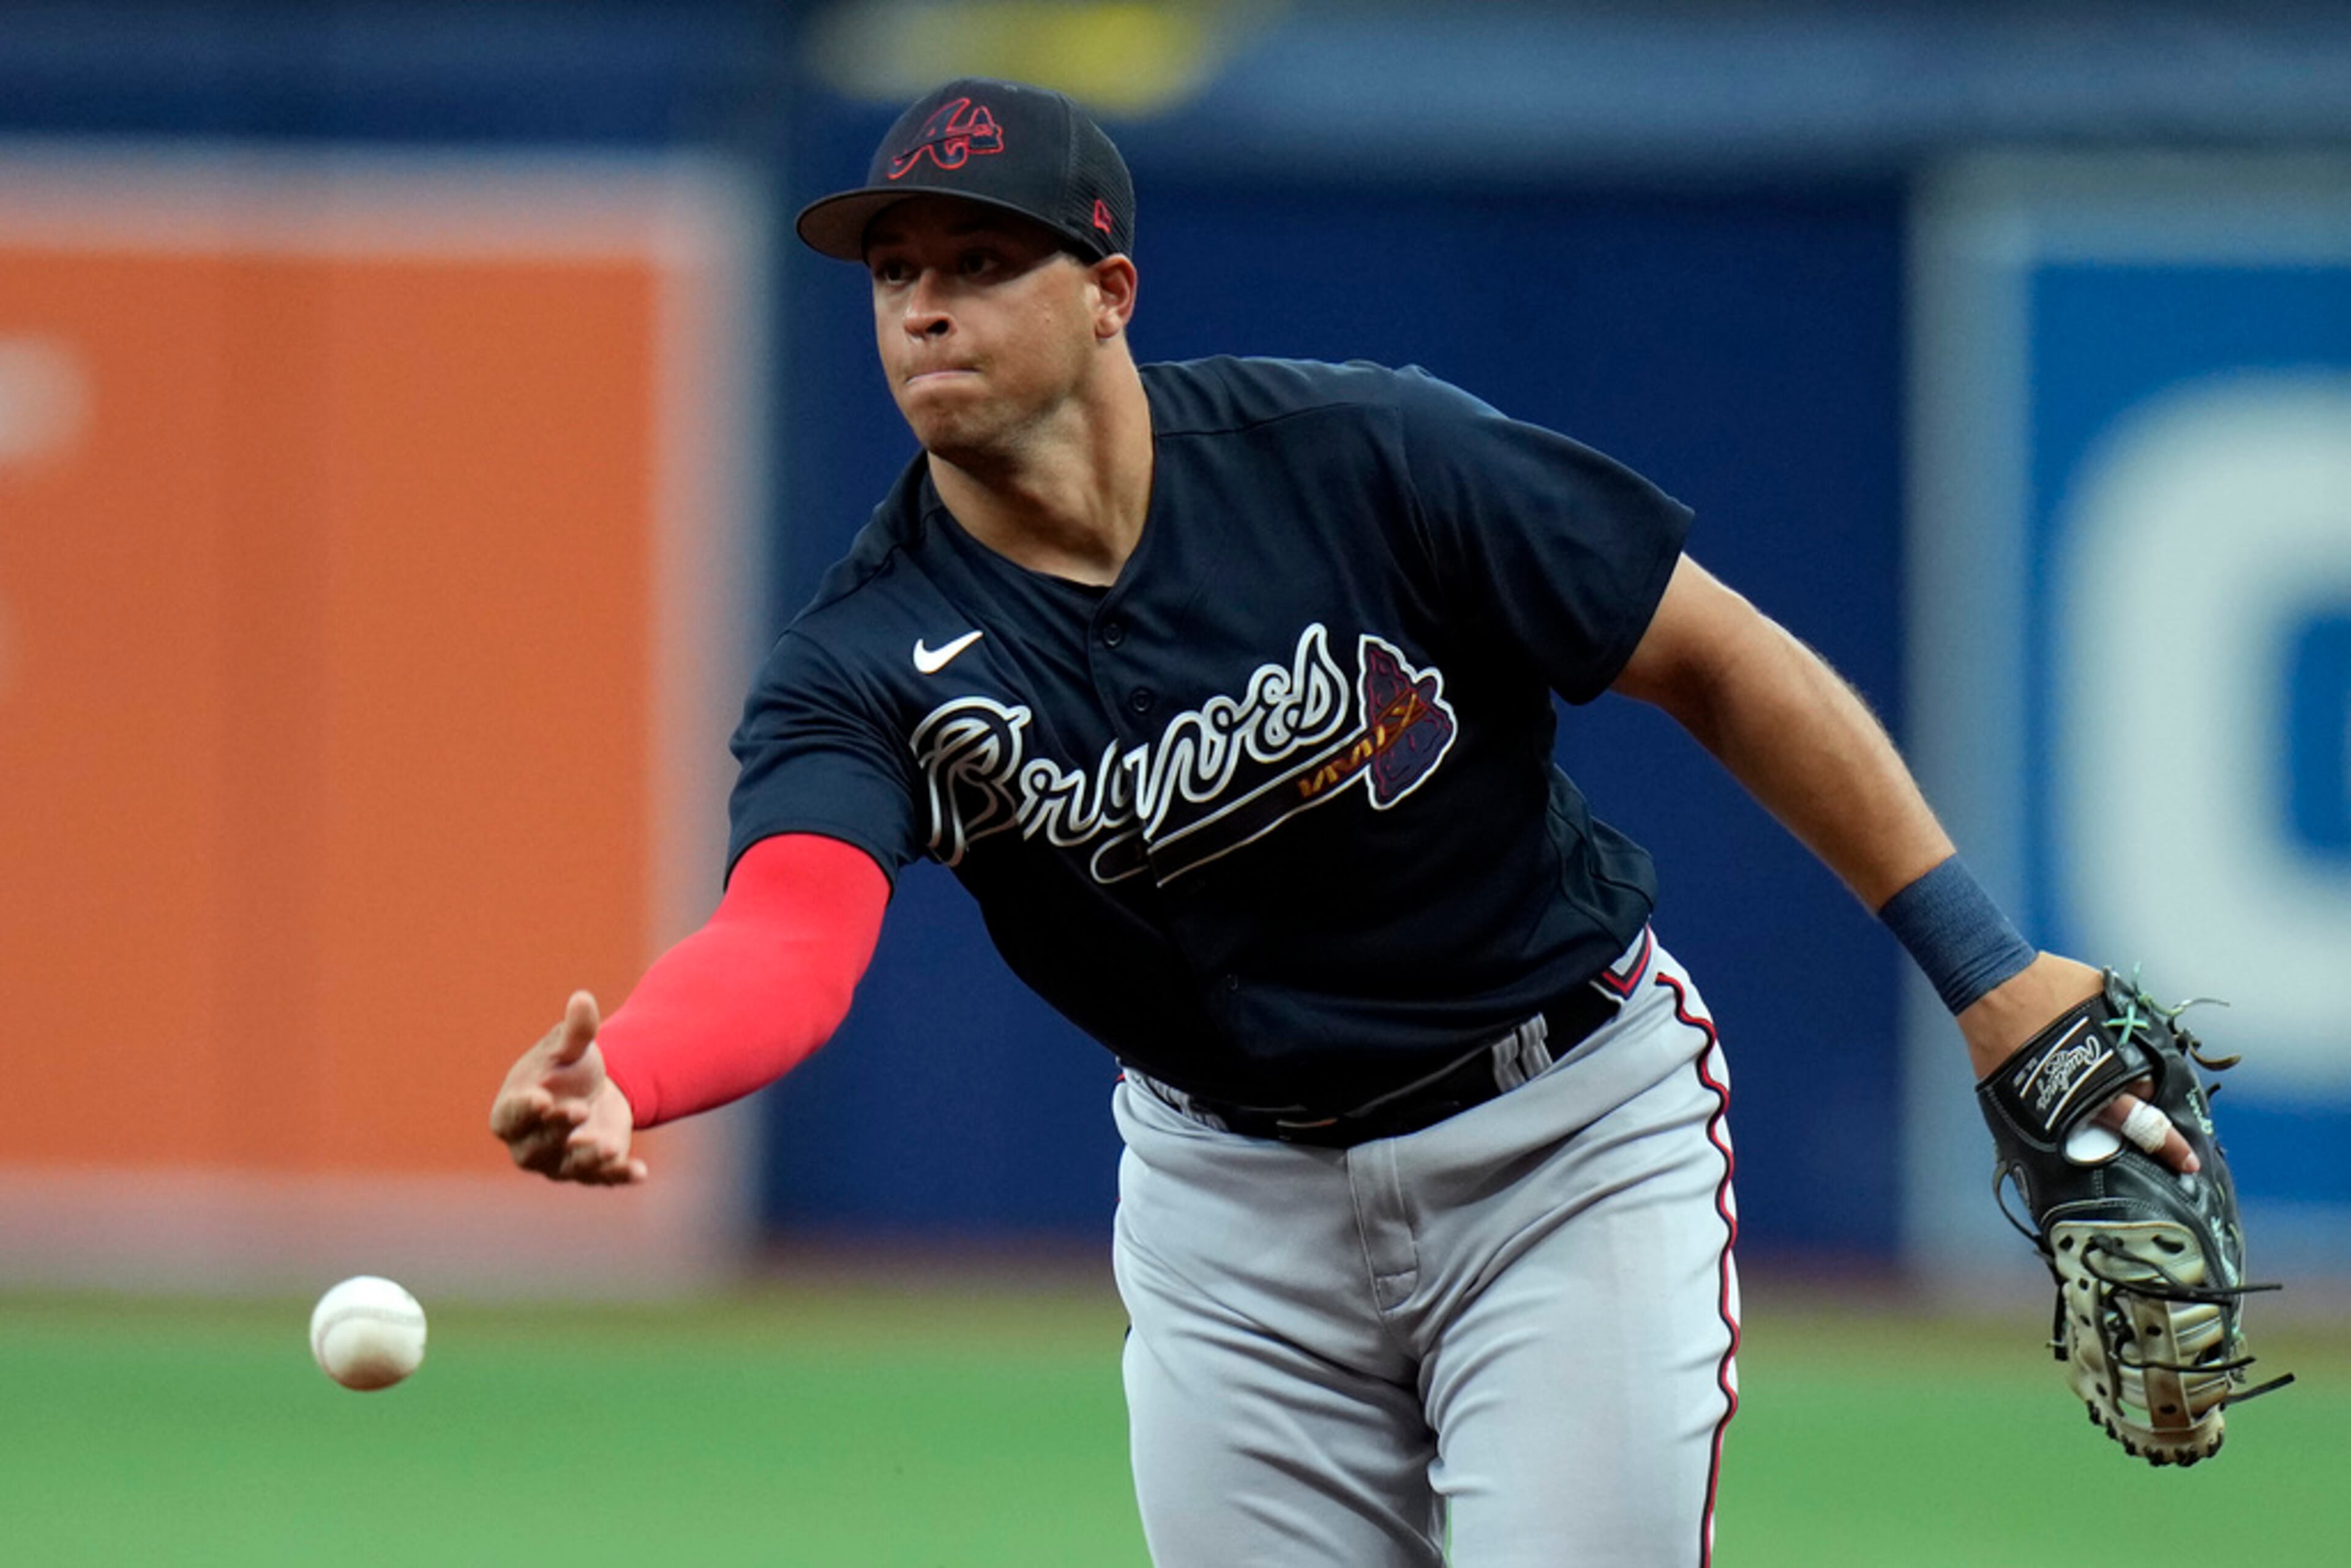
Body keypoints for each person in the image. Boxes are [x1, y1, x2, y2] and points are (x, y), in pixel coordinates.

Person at [490, 78, 2197, 1567]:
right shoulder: (866, 654)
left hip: (1566, 1142)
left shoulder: (1364, 454)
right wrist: (631, 1069)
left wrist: (1984, 969)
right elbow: (790, 929)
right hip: (1235, 1212)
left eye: (981, 261)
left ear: (1108, 293)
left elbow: (1722, 661)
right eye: (895, 272)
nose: (925, 308)